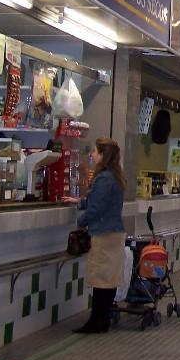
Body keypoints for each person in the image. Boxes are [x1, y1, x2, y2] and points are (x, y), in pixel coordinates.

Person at [62, 137, 126, 333]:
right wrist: (79, 202)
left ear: (103, 155)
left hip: (104, 234)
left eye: (95, 152)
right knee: (109, 279)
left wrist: (81, 223)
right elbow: (97, 201)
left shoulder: (104, 178)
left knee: (100, 279)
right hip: (114, 232)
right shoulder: (115, 176)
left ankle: (96, 321)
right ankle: (102, 319)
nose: (92, 154)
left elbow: (96, 208)